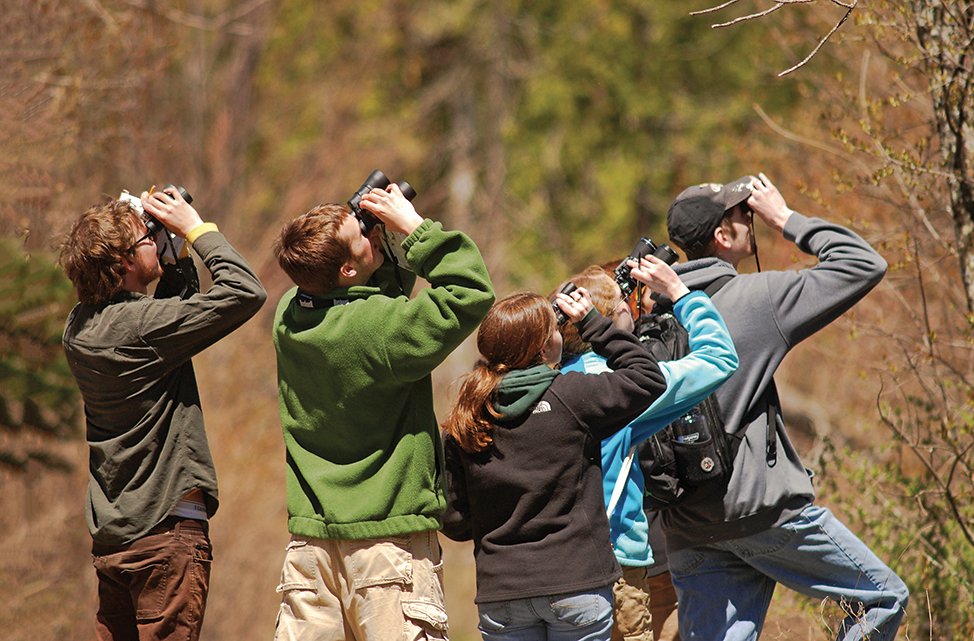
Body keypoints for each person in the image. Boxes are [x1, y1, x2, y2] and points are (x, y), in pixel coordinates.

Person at [660, 173, 909, 641]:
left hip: (687, 527)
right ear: (722, 234)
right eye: (742, 214)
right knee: (882, 597)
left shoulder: (650, 315)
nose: (749, 219)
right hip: (762, 515)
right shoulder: (757, 299)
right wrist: (785, 218)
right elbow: (863, 263)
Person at [271, 182, 495, 641]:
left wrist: (374, 245)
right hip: (387, 547)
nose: (373, 239)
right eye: (364, 240)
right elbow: (469, 290)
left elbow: (358, 296)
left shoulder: (290, 316)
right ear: (349, 267)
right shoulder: (382, 333)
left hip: (311, 550)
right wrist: (414, 229)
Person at [58, 187, 267, 641]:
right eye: (146, 240)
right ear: (124, 265)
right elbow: (245, 292)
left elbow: (163, 323)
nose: (156, 236)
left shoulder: (77, 328)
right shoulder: (140, 328)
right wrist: (196, 230)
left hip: (116, 537)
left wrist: (173, 261)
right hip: (166, 536)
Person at [442, 286, 668, 641]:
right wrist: (593, 322)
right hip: (577, 582)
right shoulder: (573, 396)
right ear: (546, 347)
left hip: (503, 591)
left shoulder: (468, 416)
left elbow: (454, 521)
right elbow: (648, 378)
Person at [557, 260, 738, 641]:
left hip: (552, 568)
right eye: (623, 300)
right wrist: (680, 293)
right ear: (614, 315)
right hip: (615, 562)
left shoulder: (550, 380)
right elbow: (719, 358)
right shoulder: (624, 386)